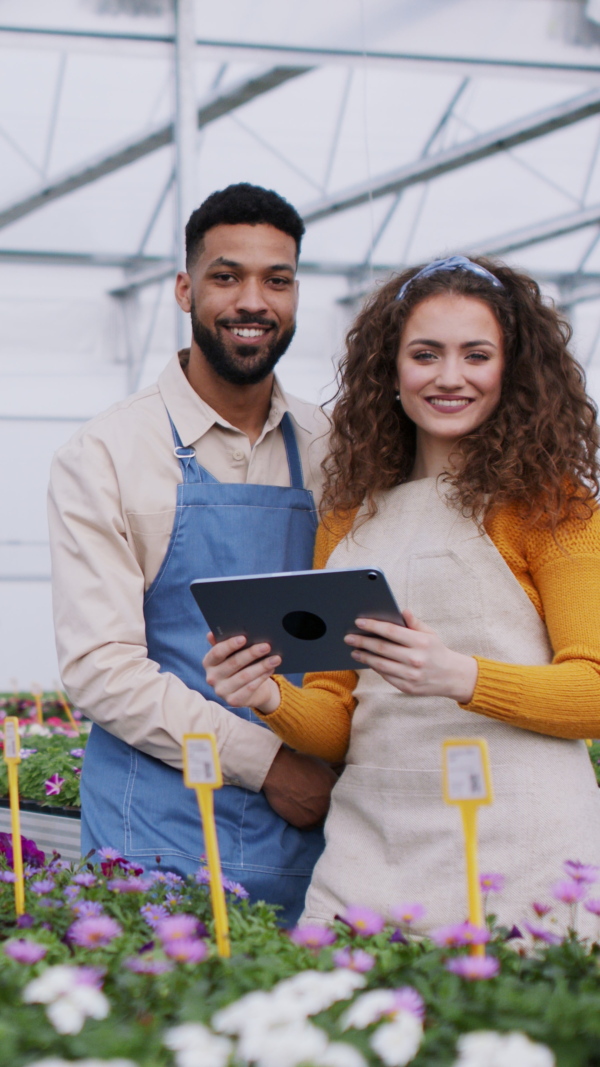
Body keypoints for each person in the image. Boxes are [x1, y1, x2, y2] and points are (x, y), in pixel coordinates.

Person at [203, 255, 600, 934]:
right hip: (372, 845)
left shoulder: (552, 505)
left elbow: (592, 691)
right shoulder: (350, 515)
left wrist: (459, 675)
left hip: (525, 847)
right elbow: (340, 714)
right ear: (389, 369)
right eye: (426, 354)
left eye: (477, 354)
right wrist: (268, 694)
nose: (450, 376)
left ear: (514, 370)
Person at [48, 182, 336, 925]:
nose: (253, 300)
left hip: (324, 826)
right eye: (226, 275)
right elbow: (100, 667)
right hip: (158, 828)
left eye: (277, 279)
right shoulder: (108, 452)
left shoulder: (334, 447)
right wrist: (270, 763)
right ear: (184, 289)